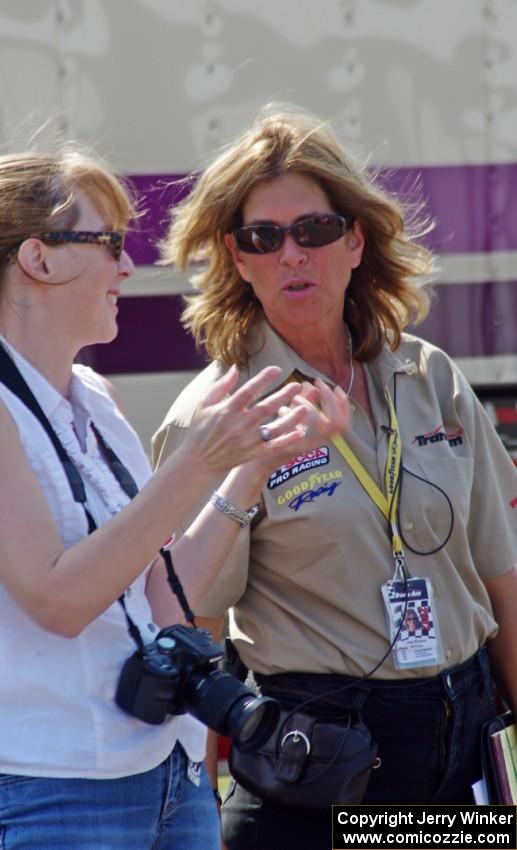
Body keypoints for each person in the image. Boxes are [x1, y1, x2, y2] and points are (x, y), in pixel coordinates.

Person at [0, 145, 350, 850]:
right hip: (48, 793)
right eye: (108, 242)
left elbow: (163, 600)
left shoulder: (95, 398)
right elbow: (60, 602)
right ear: (38, 260)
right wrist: (195, 465)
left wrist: (251, 468)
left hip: (169, 776)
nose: (127, 267)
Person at [152, 104, 517, 849]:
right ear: (237, 257)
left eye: (313, 231)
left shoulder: (429, 376)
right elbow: (190, 627)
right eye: (264, 237)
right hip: (322, 770)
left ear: (354, 241)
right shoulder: (213, 417)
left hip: (459, 762)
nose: (292, 254)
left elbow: (501, 577)